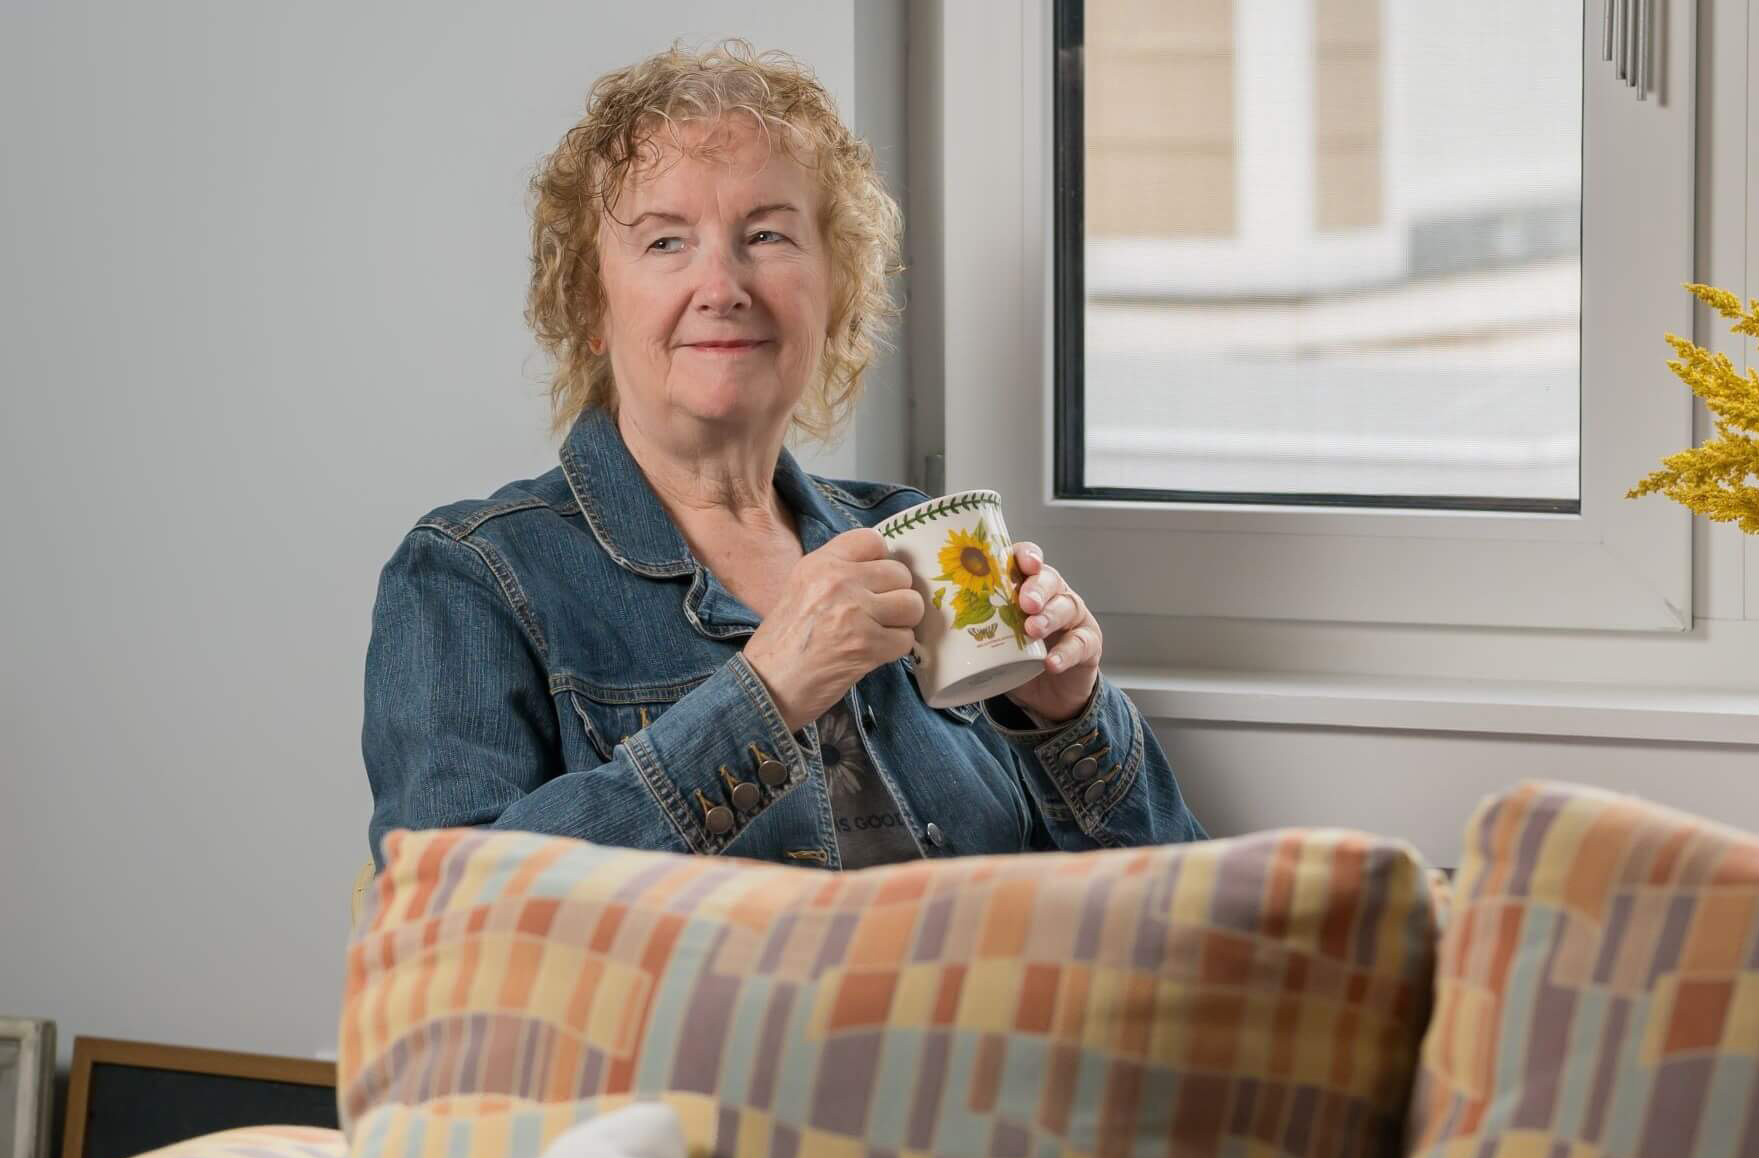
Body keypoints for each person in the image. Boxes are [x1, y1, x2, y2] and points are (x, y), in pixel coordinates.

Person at [363, 41, 1203, 869]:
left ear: (834, 292)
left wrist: (1068, 719)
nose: (723, 286)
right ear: (590, 303)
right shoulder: (472, 575)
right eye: (665, 242)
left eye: (766, 235)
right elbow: (448, 910)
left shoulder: (912, 538)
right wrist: (765, 695)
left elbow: (1175, 919)